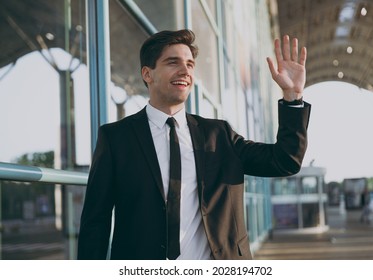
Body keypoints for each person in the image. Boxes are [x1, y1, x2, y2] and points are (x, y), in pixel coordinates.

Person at [77, 29, 311, 260]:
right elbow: (95, 223)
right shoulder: (116, 138)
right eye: (173, 62)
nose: (185, 70)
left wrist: (292, 97)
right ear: (147, 74)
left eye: (190, 64)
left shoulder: (219, 135)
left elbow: (285, 161)